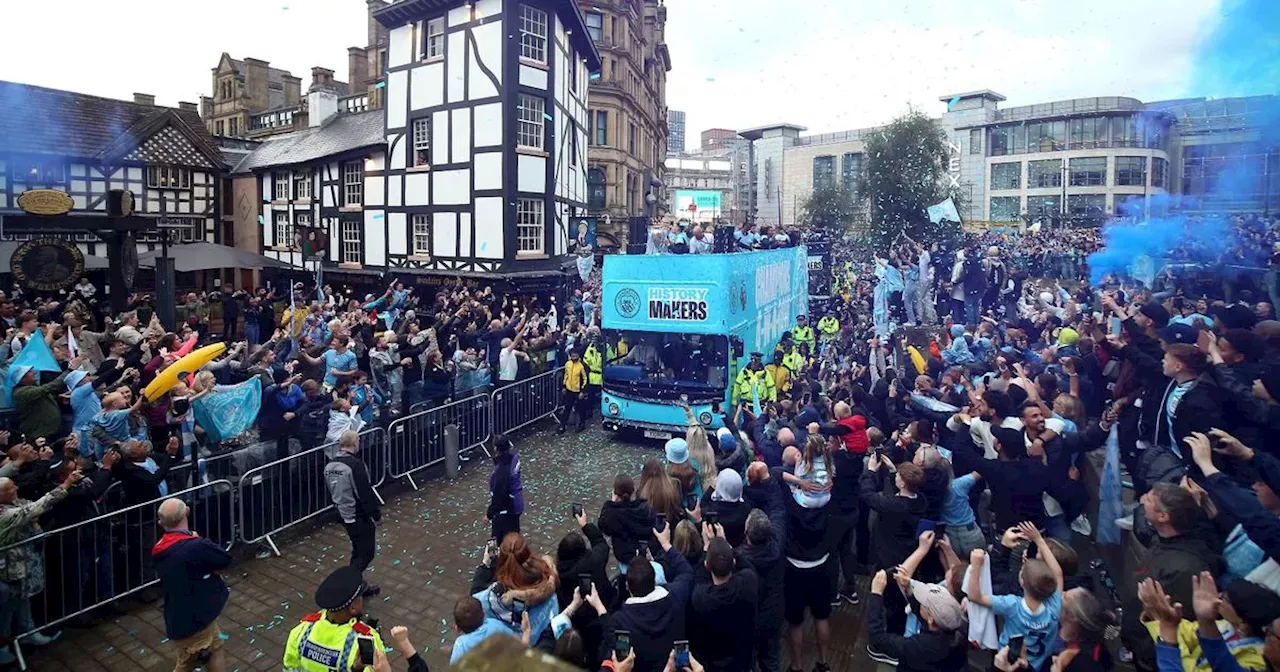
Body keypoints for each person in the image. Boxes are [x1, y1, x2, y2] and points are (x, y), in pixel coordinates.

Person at [969, 522, 1066, 672]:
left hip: (1007, 660)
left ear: (1022, 582)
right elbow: (1058, 573)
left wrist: (975, 565)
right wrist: (1039, 540)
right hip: (1036, 665)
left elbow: (975, 597)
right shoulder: (1054, 607)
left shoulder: (1012, 605)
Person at [598, 521, 694, 672]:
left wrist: (601, 610)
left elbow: (612, 644)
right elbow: (687, 572)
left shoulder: (620, 621)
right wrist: (666, 544)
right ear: (654, 580)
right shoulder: (676, 595)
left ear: (628, 587)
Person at [153, 498, 231, 672]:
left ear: (161, 523)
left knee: (215, 649)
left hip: (184, 612)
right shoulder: (193, 546)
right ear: (187, 513)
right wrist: (198, 541)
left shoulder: (161, 547)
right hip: (194, 616)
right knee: (186, 663)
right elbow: (224, 558)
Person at [283, 566, 384, 672]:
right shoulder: (364, 639)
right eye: (361, 598)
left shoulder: (301, 631)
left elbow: (290, 667)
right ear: (353, 607)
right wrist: (356, 669)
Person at [866, 568, 968, 672]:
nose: (920, 602)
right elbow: (923, 615)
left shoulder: (919, 646)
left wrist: (876, 594)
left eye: (923, 603)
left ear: (931, 619)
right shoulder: (957, 633)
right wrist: (909, 589)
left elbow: (877, 638)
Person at [688, 532, 759, 671]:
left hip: (713, 663)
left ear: (707, 565)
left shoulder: (700, 597)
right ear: (733, 562)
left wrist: (705, 550)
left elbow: (698, 577)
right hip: (743, 660)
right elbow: (748, 566)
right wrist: (728, 546)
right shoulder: (748, 583)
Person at [323, 430, 382, 589]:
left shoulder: (330, 465)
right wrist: (376, 515)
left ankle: (357, 586)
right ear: (355, 443)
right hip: (357, 515)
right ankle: (349, 584)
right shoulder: (355, 465)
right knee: (366, 553)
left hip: (342, 514)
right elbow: (364, 492)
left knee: (357, 550)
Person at [486, 434, 524, 541]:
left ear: (496, 448)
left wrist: (489, 514)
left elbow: (498, 496)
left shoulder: (501, 471)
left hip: (507, 509)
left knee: (503, 539)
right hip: (517, 502)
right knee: (514, 533)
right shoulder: (514, 458)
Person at [559, 348, 589, 434]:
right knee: (567, 408)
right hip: (569, 390)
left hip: (578, 391)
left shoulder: (582, 365)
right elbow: (566, 375)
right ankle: (562, 425)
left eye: (575, 356)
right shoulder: (568, 364)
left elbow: (586, 379)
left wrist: (583, 391)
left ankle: (582, 424)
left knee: (581, 408)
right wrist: (564, 386)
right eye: (572, 356)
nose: (574, 357)